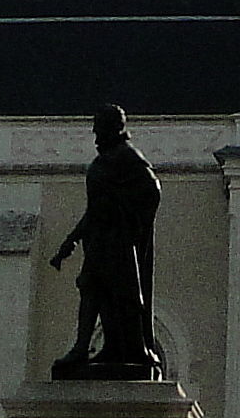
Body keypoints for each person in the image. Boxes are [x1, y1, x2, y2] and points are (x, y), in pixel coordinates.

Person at [48, 104, 164, 378]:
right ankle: (88, 347)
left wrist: (125, 216)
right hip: (100, 243)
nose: (95, 134)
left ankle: (123, 348)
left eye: (99, 128)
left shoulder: (128, 157)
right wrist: (71, 242)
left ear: (113, 128)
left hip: (119, 245)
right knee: (91, 290)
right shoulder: (102, 162)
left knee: (121, 297)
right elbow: (94, 210)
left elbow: (152, 191)